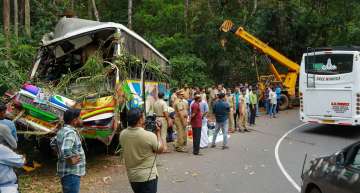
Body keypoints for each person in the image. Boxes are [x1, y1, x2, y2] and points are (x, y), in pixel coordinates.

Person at [120, 108, 164, 193]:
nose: (145, 118)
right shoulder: (149, 136)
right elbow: (160, 149)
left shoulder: (122, 134)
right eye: (144, 117)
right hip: (148, 177)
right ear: (140, 120)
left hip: (133, 177)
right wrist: (158, 132)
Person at [51, 109, 86, 193]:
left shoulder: (62, 130)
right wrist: (71, 160)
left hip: (66, 173)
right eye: (80, 118)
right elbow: (66, 149)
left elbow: (52, 143)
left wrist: (59, 154)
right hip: (71, 173)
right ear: (74, 121)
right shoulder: (70, 132)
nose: (82, 120)